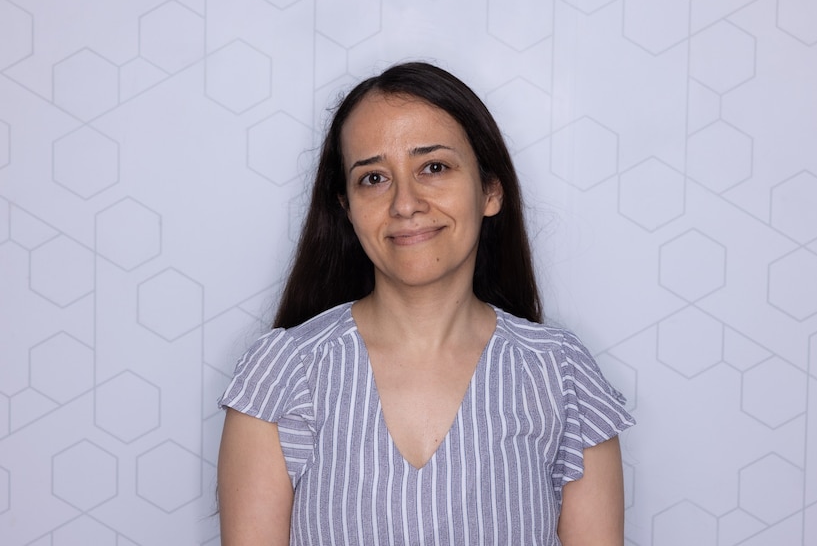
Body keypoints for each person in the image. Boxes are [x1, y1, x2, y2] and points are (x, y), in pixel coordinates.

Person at [217, 62, 635, 545]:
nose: (405, 203)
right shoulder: (281, 373)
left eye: (433, 167)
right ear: (345, 208)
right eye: (373, 178)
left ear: (490, 190)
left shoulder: (562, 375)